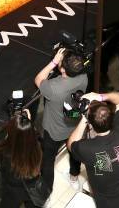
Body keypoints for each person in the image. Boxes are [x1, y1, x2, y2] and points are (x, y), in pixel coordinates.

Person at [67, 92, 119, 208]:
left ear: (91, 123)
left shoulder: (87, 149)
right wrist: (100, 96)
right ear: (112, 117)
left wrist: (84, 118)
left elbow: (71, 143)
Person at [33, 48, 87, 198]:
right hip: (75, 124)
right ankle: (74, 177)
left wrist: (53, 61)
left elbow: (38, 79)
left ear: (62, 69)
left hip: (54, 131)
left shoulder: (53, 87)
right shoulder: (83, 77)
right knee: (74, 152)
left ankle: (46, 191)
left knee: (48, 160)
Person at [0, 110, 44, 208]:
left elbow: (4, 170)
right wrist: (27, 123)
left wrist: (18, 125)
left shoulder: (4, 151)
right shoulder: (38, 145)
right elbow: (32, 135)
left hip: (13, 190)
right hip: (33, 187)